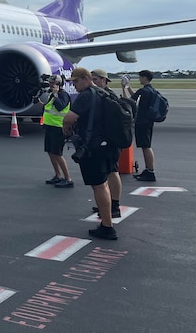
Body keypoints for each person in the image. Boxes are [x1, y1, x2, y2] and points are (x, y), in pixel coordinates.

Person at [62, 68, 117, 240]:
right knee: (104, 184)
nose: (74, 86)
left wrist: (66, 127)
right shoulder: (104, 93)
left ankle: (107, 226)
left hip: (94, 147)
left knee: (98, 186)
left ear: (86, 79)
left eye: (76, 82)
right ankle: (107, 221)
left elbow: (69, 118)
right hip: (108, 144)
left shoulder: (87, 95)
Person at [91, 69, 123, 218]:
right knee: (109, 173)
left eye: (95, 79)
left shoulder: (108, 96)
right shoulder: (102, 95)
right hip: (109, 140)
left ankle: (114, 206)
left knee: (112, 172)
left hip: (111, 141)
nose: (93, 82)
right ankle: (108, 204)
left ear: (104, 80)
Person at [35, 75, 73, 188]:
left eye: (54, 83)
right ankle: (58, 175)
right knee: (51, 152)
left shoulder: (63, 95)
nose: (51, 85)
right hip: (49, 127)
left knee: (57, 154)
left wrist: (56, 94)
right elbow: (47, 108)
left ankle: (68, 179)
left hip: (58, 128)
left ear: (59, 84)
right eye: (51, 83)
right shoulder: (52, 95)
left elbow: (61, 107)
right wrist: (39, 102)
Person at [122, 69, 158, 182]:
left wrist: (124, 88)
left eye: (140, 77)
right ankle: (148, 170)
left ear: (144, 78)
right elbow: (136, 96)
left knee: (145, 146)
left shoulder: (145, 91)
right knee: (146, 146)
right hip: (149, 121)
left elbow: (128, 101)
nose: (139, 79)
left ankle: (150, 171)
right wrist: (128, 87)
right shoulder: (150, 90)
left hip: (142, 122)